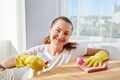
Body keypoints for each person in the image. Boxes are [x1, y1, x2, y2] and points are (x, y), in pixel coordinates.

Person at [0, 16, 109, 78]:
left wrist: (98, 57)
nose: (61, 36)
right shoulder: (38, 50)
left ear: (70, 36)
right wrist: (25, 59)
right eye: (58, 30)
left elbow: (103, 51)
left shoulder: (74, 50)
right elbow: (4, 64)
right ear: (50, 29)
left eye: (66, 33)